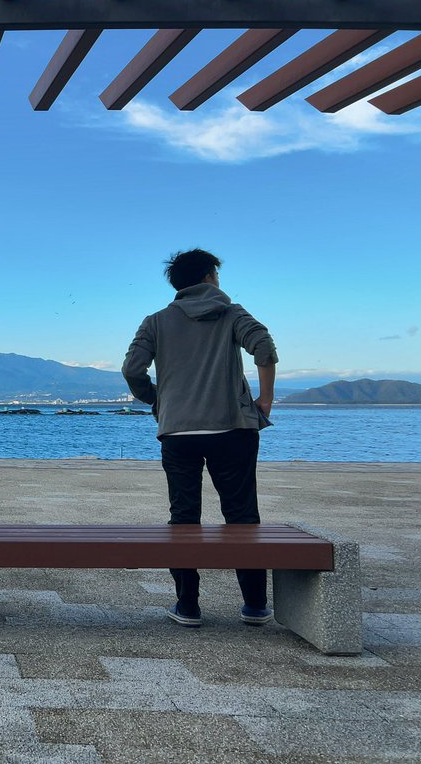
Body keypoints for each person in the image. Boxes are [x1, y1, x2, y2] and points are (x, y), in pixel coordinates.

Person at [122, 249, 278, 629]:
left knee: (184, 516)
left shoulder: (156, 322)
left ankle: (187, 605)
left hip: (178, 432)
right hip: (233, 429)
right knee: (242, 515)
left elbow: (132, 369)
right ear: (210, 277)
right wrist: (265, 400)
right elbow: (264, 348)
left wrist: (159, 399)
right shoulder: (232, 313)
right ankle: (255, 605)